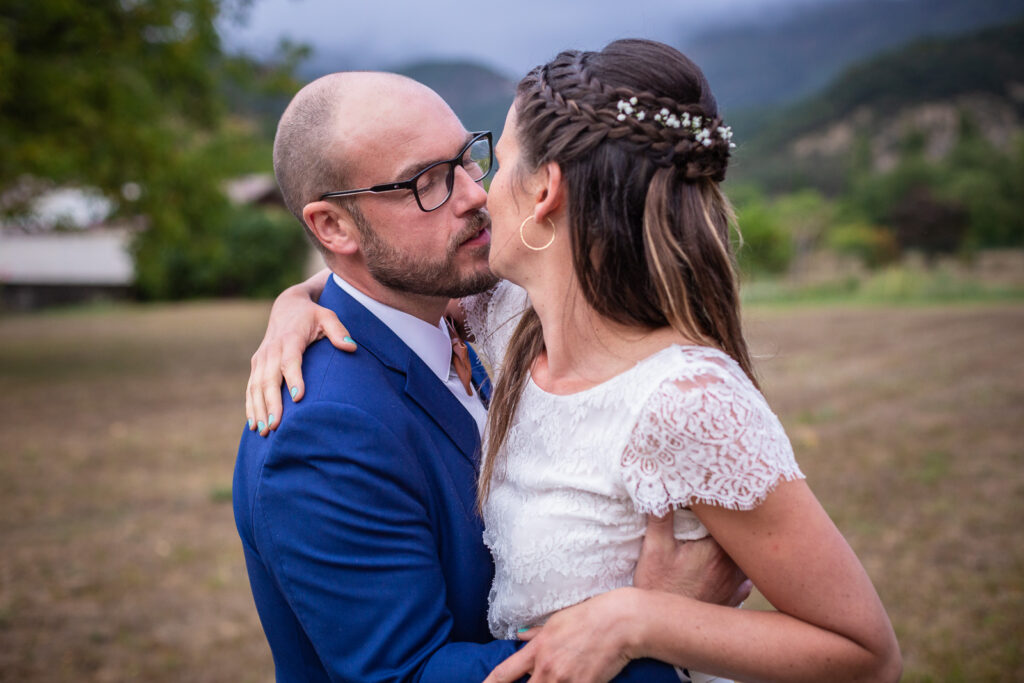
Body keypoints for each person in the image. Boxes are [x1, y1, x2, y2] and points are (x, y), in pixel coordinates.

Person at [249, 40, 902, 682]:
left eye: (476, 160)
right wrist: (298, 299)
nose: (474, 193)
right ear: (333, 228)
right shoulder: (489, 335)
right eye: (428, 182)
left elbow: (866, 650)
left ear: (546, 194)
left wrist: (639, 620)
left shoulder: (646, 380)